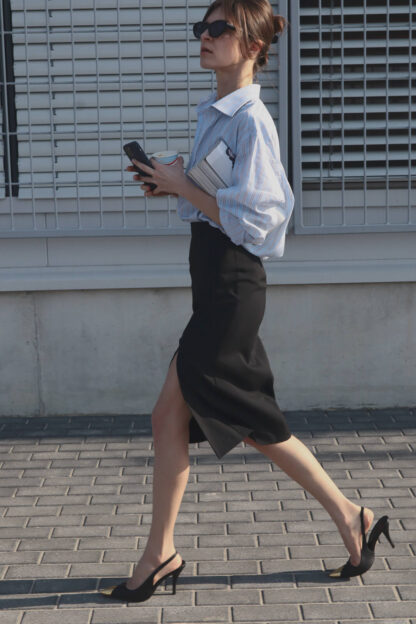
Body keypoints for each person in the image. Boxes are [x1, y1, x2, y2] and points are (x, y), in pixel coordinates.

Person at [100, 0, 394, 603]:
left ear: (253, 46)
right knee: (177, 417)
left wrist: (184, 186)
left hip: (233, 285)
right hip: (215, 284)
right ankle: (347, 518)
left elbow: (260, 223)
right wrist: (173, 182)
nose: (204, 37)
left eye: (218, 29)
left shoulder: (252, 121)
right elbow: (220, 203)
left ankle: (163, 555)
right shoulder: (217, 114)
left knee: (243, 421)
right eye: (200, 28)